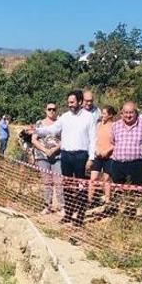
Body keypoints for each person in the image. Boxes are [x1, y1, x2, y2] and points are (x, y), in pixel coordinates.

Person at [31, 90, 97, 225]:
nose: (70, 105)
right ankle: (68, 213)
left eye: (72, 102)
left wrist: (91, 158)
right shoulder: (65, 117)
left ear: (80, 102)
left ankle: (79, 216)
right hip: (66, 156)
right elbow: (52, 129)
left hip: (81, 156)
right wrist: (36, 130)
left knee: (81, 187)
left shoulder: (89, 117)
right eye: (68, 102)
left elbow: (93, 139)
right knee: (66, 186)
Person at [31, 103, 65, 214]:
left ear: (57, 110)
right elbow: (34, 139)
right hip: (42, 156)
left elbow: (65, 139)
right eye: (49, 109)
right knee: (47, 182)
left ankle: (62, 206)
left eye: (54, 109)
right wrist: (45, 150)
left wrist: (54, 149)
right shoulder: (39, 123)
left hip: (58, 156)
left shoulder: (60, 123)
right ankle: (47, 206)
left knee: (59, 181)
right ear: (45, 110)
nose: (51, 111)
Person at [109, 101, 142, 186]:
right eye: (126, 112)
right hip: (118, 165)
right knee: (118, 191)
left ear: (136, 113)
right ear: (122, 113)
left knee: (138, 192)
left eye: (131, 112)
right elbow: (113, 141)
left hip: (139, 165)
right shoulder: (115, 126)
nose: (128, 115)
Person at [88, 105, 117, 207]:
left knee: (106, 179)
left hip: (109, 156)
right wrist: (95, 150)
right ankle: (90, 200)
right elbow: (93, 139)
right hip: (97, 155)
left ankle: (108, 201)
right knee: (93, 178)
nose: (102, 115)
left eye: (104, 113)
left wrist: (107, 151)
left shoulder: (114, 126)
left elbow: (117, 142)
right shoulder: (98, 125)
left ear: (110, 115)